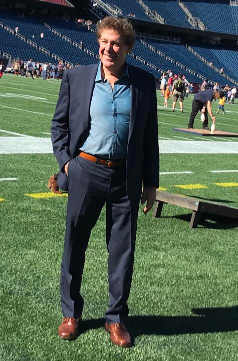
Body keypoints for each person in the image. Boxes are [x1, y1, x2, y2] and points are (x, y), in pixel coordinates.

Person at [51, 16, 159, 348]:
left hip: (126, 176)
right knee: (75, 244)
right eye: (104, 42)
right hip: (86, 170)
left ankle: (116, 319)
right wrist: (67, 164)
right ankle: (71, 314)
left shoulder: (143, 83)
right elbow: (59, 127)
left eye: (116, 44)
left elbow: (149, 138)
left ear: (127, 48)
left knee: (122, 251)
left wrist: (150, 183)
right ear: (98, 42)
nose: (109, 49)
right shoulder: (76, 77)